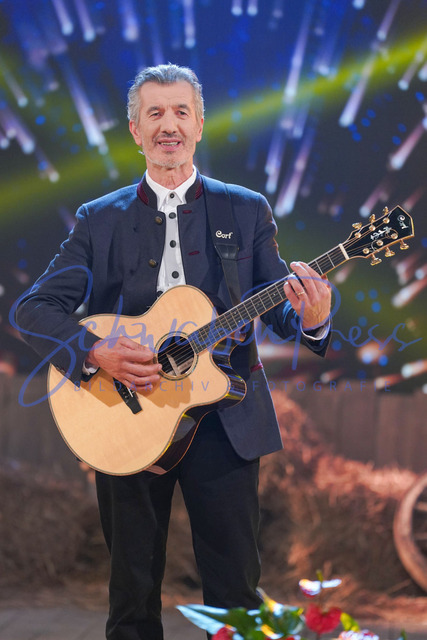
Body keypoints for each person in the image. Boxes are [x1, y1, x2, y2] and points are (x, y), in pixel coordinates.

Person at [16, 63, 332, 639]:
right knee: (132, 600)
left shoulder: (246, 210)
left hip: (226, 419)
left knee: (236, 595)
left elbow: (280, 309)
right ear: (135, 130)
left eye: (181, 112)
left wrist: (313, 319)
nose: (169, 125)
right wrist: (95, 350)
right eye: (155, 113)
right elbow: (32, 309)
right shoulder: (99, 219)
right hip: (125, 415)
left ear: (199, 125)